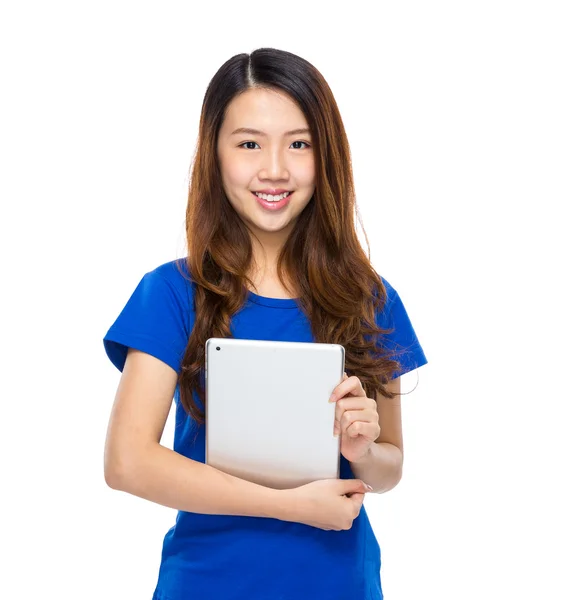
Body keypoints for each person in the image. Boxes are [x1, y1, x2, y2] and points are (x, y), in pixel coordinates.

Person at [103, 47, 427, 600]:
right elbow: (127, 461)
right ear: (215, 154)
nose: (274, 169)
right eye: (249, 143)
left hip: (338, 583)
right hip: (207, 584)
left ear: (327, 157)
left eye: (299, 144)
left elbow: (388, 469)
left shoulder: (370, 298)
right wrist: (287, 506)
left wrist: (362, 449)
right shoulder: (173, 293)